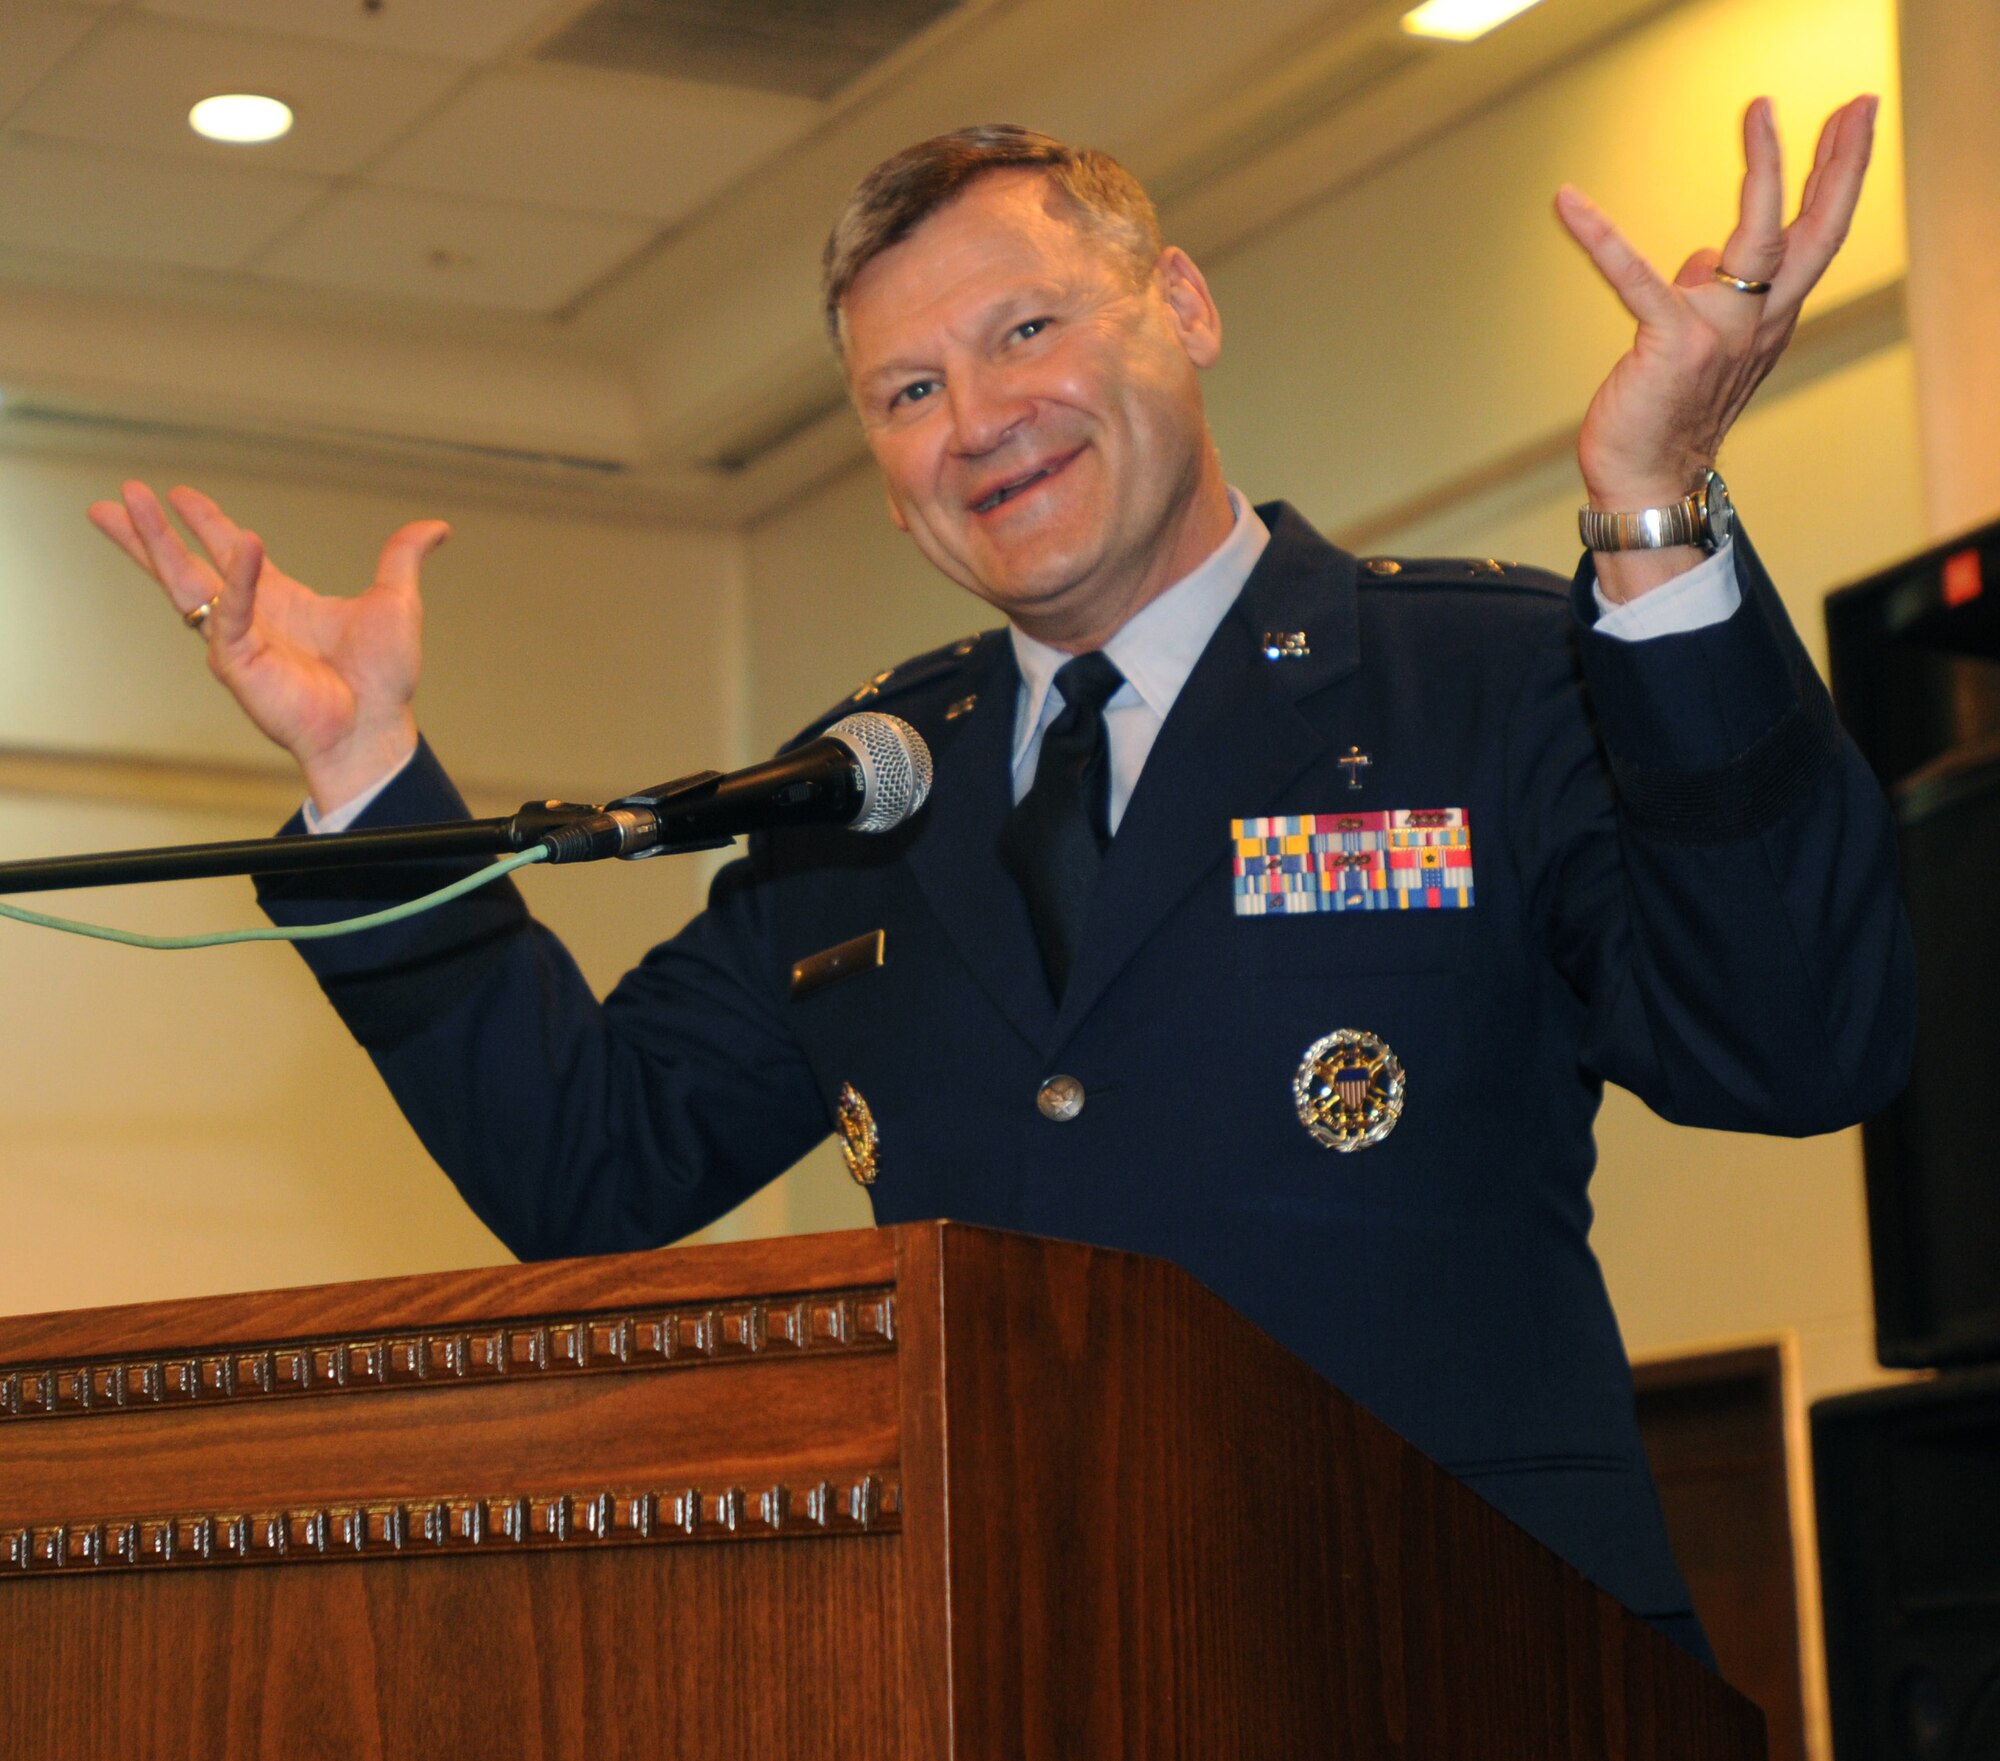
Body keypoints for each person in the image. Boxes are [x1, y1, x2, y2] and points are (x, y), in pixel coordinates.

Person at [88, 105, 1910, 1663]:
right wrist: (358, 775)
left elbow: (1800, 1046)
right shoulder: (866, 790)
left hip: (1463, 1660)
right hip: (1017, 1673)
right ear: (886, 477)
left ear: (1182, 309)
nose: (980, 415)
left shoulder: (1483, 681)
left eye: (1029, 326)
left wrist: (1657, 519)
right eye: (909, 387)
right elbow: (592, 1164)